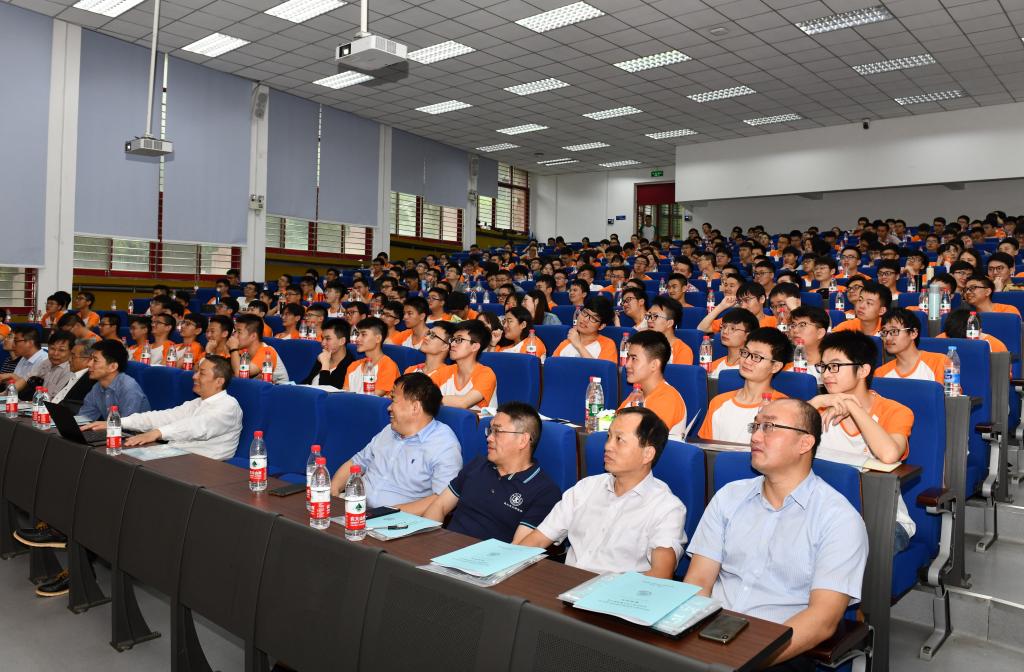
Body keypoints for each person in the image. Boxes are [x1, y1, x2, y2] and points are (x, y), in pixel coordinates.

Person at [685, 398, 868, 669]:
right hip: (711, 633)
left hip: (780, 649)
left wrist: (745, 661)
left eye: (769, 427)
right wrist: (692, 643)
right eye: (755, 426)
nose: (755, 437)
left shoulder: (839, 519)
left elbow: (822, 620)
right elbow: (699, 580)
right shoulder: (728, 497)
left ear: (804, 443)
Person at [518, 408, 685, 578]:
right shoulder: (586, 488)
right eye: (609, 437)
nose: (607, 446)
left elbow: (661, 574)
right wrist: (507, 567)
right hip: (566, 584)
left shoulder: (666, 508)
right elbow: (538, 539)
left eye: (619, 439)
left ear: (647, 454)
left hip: (618, 593)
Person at [810, 331, 915, 553]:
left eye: (835, 366)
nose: (826, 374)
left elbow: (889, 455)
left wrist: (852, 407)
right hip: (823, 513)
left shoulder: (896, 411)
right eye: (824, 366)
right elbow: (780, 439)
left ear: (863, 370)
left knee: (840, 549)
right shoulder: (817, 409)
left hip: (881, 517)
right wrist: (817, 401)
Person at [424, 402, 561, 542]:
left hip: (488, 555)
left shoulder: (544, 491)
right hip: (442, 547)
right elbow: (439, 506)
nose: (489, 438)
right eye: (490, 430)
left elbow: (518, 548)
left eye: (497, 431)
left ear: (523, 440)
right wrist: (428, 541)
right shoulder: (478, 464)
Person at [329, 372, 463, 513]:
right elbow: (356, 462)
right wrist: (334, 489)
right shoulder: (389, 430)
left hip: (397, 520)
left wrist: (387, 513)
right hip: (356, 509)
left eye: (393, 400)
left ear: (415, 407)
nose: (389, 407)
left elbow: (442, 499)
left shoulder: (444, 444)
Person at [84, 355, 242, 461]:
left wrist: (157, 433)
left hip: (205, 465)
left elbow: (197, 427)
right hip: (179, 455)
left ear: (219, 381)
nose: (194, 376)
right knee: (117, 455)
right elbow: (164, 416)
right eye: (196, 372)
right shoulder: (198, 402)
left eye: (201, 373)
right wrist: (117, 422)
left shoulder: (228, 406)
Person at [700, 327, 792, 444]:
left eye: (757, 357)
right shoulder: (718, 402)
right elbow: (707, 450)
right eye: (745, 353)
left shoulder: (784, 408)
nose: (747, 361)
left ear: (775, 367)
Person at [619, 331, 687, 435]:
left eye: (634, 359)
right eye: (628, 357)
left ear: (654, 365)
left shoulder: (668, 399)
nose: (627, 364)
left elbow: (642, 440)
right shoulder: (636, 394)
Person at [76, 340, 151, 421]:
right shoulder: (97, 387)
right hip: (112, 428)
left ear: (113, 367)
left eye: (95, 360)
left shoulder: (128, 388)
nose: (89, 364)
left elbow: (127, 424)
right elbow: (83, 419)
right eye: (90, 359)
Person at [436, 320, 498, 412]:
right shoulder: (444, 371)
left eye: (459, 340)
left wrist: (430, 400)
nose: (452, 344)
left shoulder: (486, 374)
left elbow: (463, 403)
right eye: (452, 340)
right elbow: (421, 392)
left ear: (475, 347)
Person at [876, 307, 948, 382]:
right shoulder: (880, 374)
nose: (887, 338)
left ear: (913, 333)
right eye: (884, 332)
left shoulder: (939, 363)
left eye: (894, 331)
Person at [1, 330, 74, 399]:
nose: (55, 353)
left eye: (61, 350)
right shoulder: (47, 362)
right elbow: (26, 379)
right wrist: (5, 394)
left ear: (71, 352)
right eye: (52, 348)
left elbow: (56, 399)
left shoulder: (70, 369)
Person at [345, 317, 400, 396]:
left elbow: (373, 399)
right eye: (357, 335)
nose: (357, 339)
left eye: (363, 335)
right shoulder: (353, 366)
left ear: (378, 338)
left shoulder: (388, 366)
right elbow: (345, 395)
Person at [553, 295, 617, 362]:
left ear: (601, 326)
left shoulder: (608, 345)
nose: (585, 320)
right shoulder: (566, 343)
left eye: (593, 318)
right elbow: (551, 366)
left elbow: (601, 368)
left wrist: (579, 345)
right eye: (584, 312)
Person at [230, 314, 289, 384]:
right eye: (235, 331)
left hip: (279, 389)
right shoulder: (242, 351)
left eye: (239, 332)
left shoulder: (267, 353)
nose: (234, 335)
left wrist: (233, 348)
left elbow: (240, 374)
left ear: (253, 336)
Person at [699, 282, 777, 333]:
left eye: (747, 300)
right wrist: (721, 306)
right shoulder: (732, 321)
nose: (743, 306)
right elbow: (702, 328)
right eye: (740, 302)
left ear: (762, 299)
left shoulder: (776, 321)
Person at [299, 318, 353, 387]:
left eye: (328, 339)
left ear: (342, 341)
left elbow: (328, 391)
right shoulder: (323, 357)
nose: (323, 343)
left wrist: (325, 364)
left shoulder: (350, 366)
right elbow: (308, 381)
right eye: (322, 338)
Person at [707, 308, 759, 379]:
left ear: (748, 336)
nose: (725, 331)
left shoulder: (752, 367)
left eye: (732, 328)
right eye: (724, 326)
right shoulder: (714, 365)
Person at [784, 306, 829, 384]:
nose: (795, 330)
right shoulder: (783, 366)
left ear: (820, 333)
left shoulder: (832, 368)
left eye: (802, 325)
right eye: (793, 325)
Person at [645, 296, 693, 365]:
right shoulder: (642, 344)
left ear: (669, 323)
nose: (649, 320)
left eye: (655, 316)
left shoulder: (682, 350)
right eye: (649, 316)